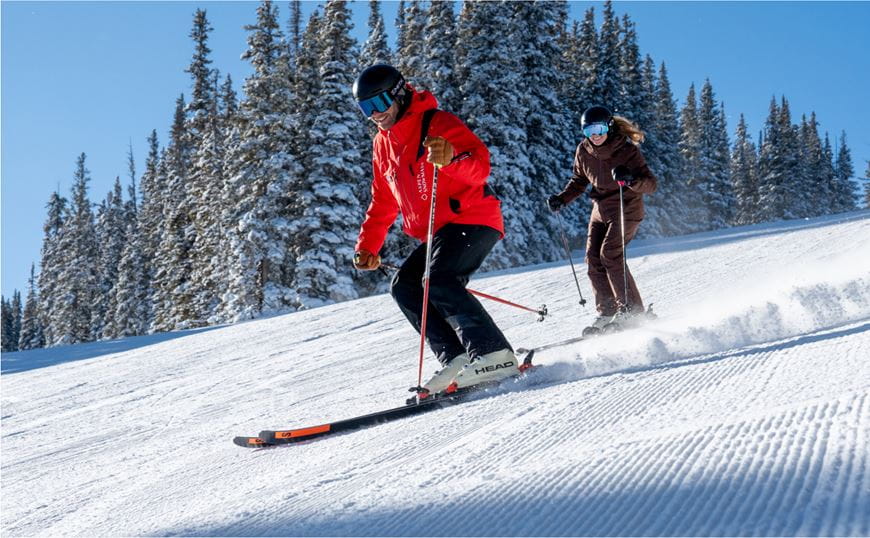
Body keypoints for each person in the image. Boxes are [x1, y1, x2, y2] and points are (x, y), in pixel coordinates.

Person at [351, 64, 518, 396]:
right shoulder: (382, 146)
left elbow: (480, 167)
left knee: (439, 279)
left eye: (379, 103)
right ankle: (456, 357)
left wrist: (452, 157)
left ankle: (493, 354)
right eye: (365, 108)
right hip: (438, 232)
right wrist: (369, 245)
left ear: (398, 94)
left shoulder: (437, 123)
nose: (375, 114)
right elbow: (383, 200)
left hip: (474, 217)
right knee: (405, 286)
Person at [547, 105, 657, 330]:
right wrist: (562, 198)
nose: (594, 135)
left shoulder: (627, 151)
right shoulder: (584, 150)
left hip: (626, 208)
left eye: (598, 128)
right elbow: (579, 180)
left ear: (608, 126)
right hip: (600, 210)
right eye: (588, 131)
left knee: (611, 254)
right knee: (593, 259)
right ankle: (608, 312)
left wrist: (630, 179)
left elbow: (651, 185)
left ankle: (632, 311)